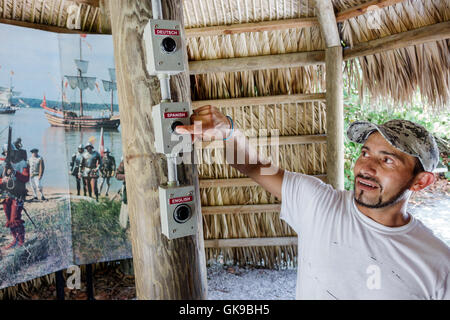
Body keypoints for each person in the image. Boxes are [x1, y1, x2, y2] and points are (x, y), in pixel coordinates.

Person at [175, 105, 450, 300]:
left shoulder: (437, 264)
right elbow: (253, 166)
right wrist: (229, 131)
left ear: (421, 181)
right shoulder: (319, 204)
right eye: (365, 153)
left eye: (387, 159)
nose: (366, 167)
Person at [0, 143, 30, 249]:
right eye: (7, 152)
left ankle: (21, 242)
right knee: (9, 220)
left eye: (11, 152)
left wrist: (15, 172)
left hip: (18, 196)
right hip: (5, 196)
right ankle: (15, 240)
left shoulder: (22, 163)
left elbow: (26, 178)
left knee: (15, 219)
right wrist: (2, 180)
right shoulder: (1, 164)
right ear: (4, 153)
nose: (9, 154)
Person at [115, 157, 128, 229]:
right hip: (127, 187)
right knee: (125, 205)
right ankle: (123, 225)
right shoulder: (124, 161)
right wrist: (126, 176)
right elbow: (117, 175)